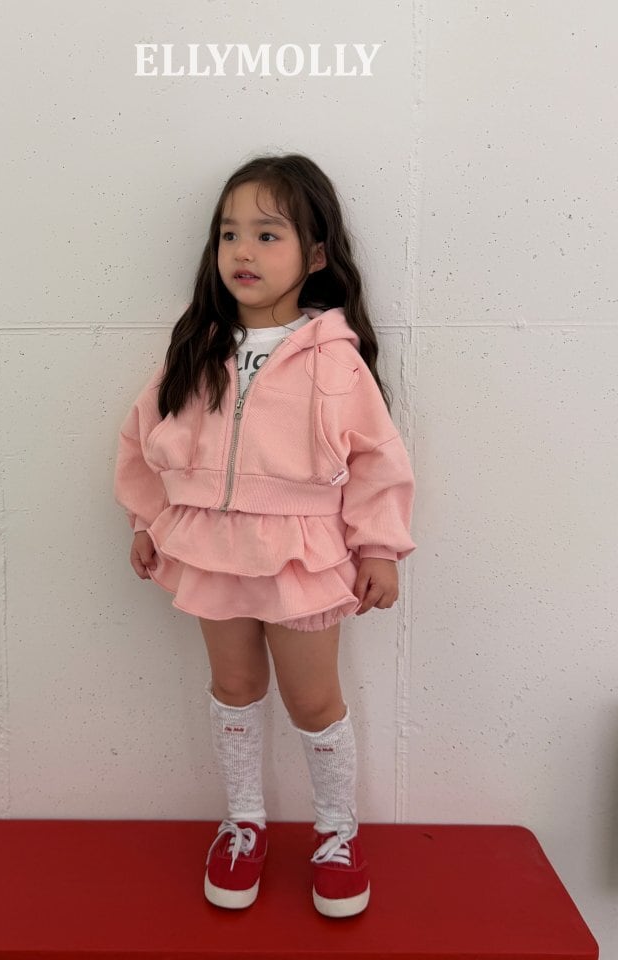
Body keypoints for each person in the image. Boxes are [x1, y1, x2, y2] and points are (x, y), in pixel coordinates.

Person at [113, 152, 416, 918]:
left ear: (315, 256)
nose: (242, 251)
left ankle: (337, 833)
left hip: (302, 554)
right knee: (236, 689)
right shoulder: (197, 347)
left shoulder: (334, 358)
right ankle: (244, 823)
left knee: (314, 701)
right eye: (229, 233)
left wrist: (379, 547)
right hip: (209, 550)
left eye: (267, 234)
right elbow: (143, 438)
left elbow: (377, 459)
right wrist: (147, 519)